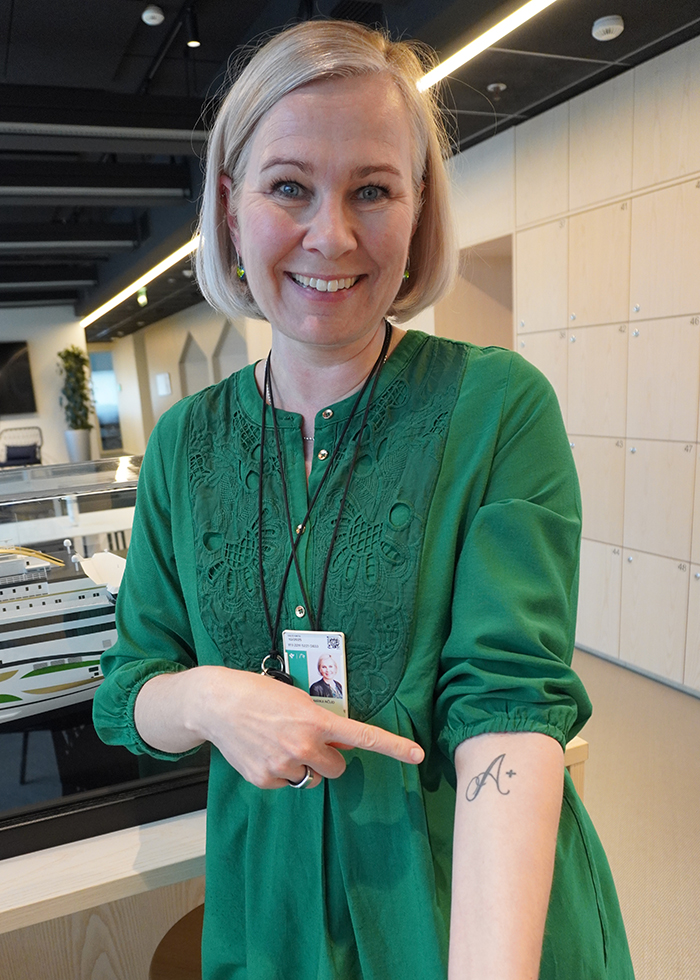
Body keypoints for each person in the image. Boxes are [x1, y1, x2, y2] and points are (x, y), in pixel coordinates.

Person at [93, 19, 635, 980]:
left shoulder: (497, 408)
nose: (332, 235)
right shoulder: (185, 445)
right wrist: (214, 698)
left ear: (419, 211)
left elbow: (510, 705)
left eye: (373, 190)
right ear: (231, 207)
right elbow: (129, 692)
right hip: (274, 921)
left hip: (466, 919)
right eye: (289, 187)